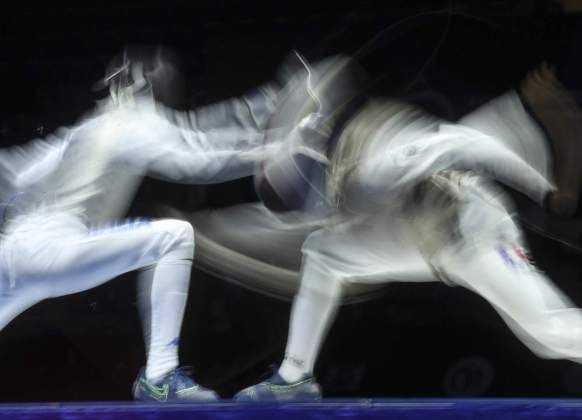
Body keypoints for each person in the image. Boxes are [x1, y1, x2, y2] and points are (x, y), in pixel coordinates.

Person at [225, 58, 582, 401]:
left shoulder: (378, 160)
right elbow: (293, 219)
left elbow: (465, 142)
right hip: (415, 236)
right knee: (323, 252)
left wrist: (545, 190)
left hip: (468, 228)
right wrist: (224, 229)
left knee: (547, 332)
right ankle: (293, 378)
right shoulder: (337, 169)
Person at [0, 46, 280, 402]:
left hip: (14, 250)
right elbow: (199, 156)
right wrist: (268, 151)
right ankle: (160, 376)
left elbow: (16, 177)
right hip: (54, 250)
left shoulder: (84, 127)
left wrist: (263, 106)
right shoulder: (136, 119)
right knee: (174, 236)